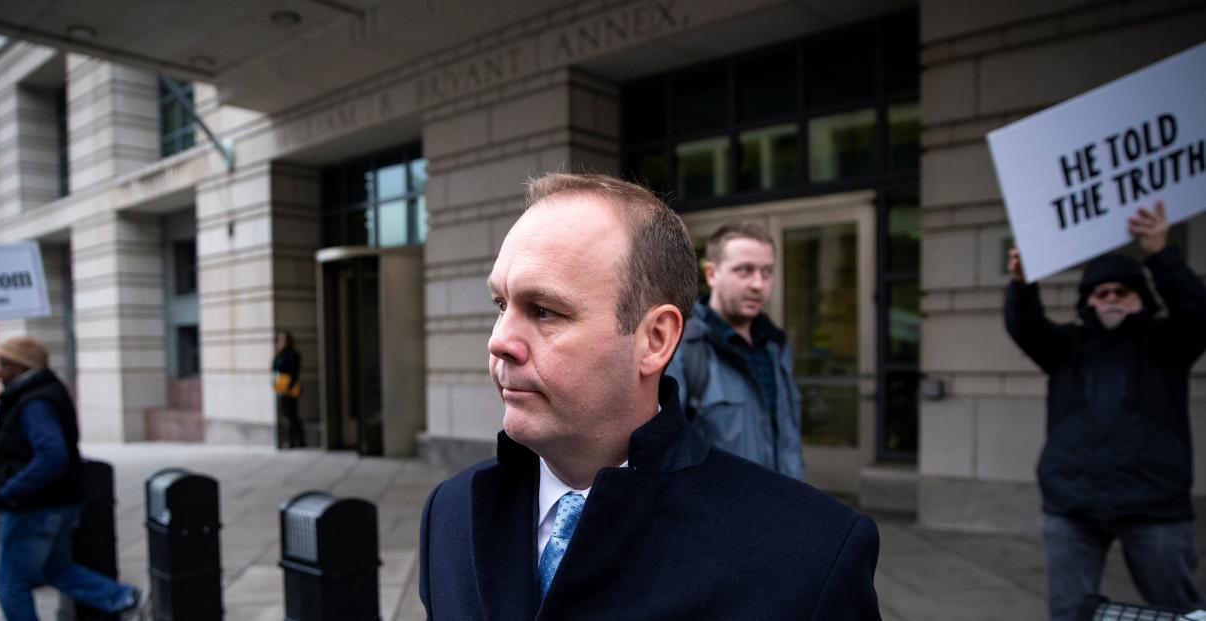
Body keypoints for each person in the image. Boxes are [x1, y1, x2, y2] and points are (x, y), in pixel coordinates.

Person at [419, 173, 880, 619]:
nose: (499, 340)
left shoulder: (809, 556)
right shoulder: (450, 513)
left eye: (544, 310)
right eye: (501, 304)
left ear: (655, 340)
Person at [1004, 201, 1206, 620]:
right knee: (1070, 613)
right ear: (1089, 303)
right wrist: (1022, 283)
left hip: (1154, 507)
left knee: (1181, 612)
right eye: (1102, 292)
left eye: (1122, 291)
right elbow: (1025, 326)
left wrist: (1160, 255)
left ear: (1140, 298)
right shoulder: (1066, 348)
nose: (1112, 298)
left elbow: (1198, 313)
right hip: (1072, 507)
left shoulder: (1167, 344)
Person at [0, 337, 146, 620]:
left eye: (4, 364)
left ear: (21, 366)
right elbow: (6, 440)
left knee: (10, 585)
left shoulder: (34, 401)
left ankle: (122, 598)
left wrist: (6, 494)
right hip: (55, 502)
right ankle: (123, 597)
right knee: (54, 569)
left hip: (34, 507)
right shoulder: (30, 394)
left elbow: (52, 456)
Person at [665, 222, 804, 479]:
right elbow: (666, 451)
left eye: (767, 272)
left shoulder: (776, 346)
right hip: (718, 513)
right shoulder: (683, 348)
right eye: (745, 271)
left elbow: (788, 442)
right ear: (711, 274)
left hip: (784, 507)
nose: (758, 284)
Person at [272, 330, 305, 449]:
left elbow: (294, 373)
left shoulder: (293, 354)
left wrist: (289, 388)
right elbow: (274, 368)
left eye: (283, 340)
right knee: (286, 414)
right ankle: (293, 440)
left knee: (292, 415)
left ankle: (295, 440)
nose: (281, 342)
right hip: (281, 387)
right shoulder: (279, 355)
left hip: (290, 387)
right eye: (279, 340)